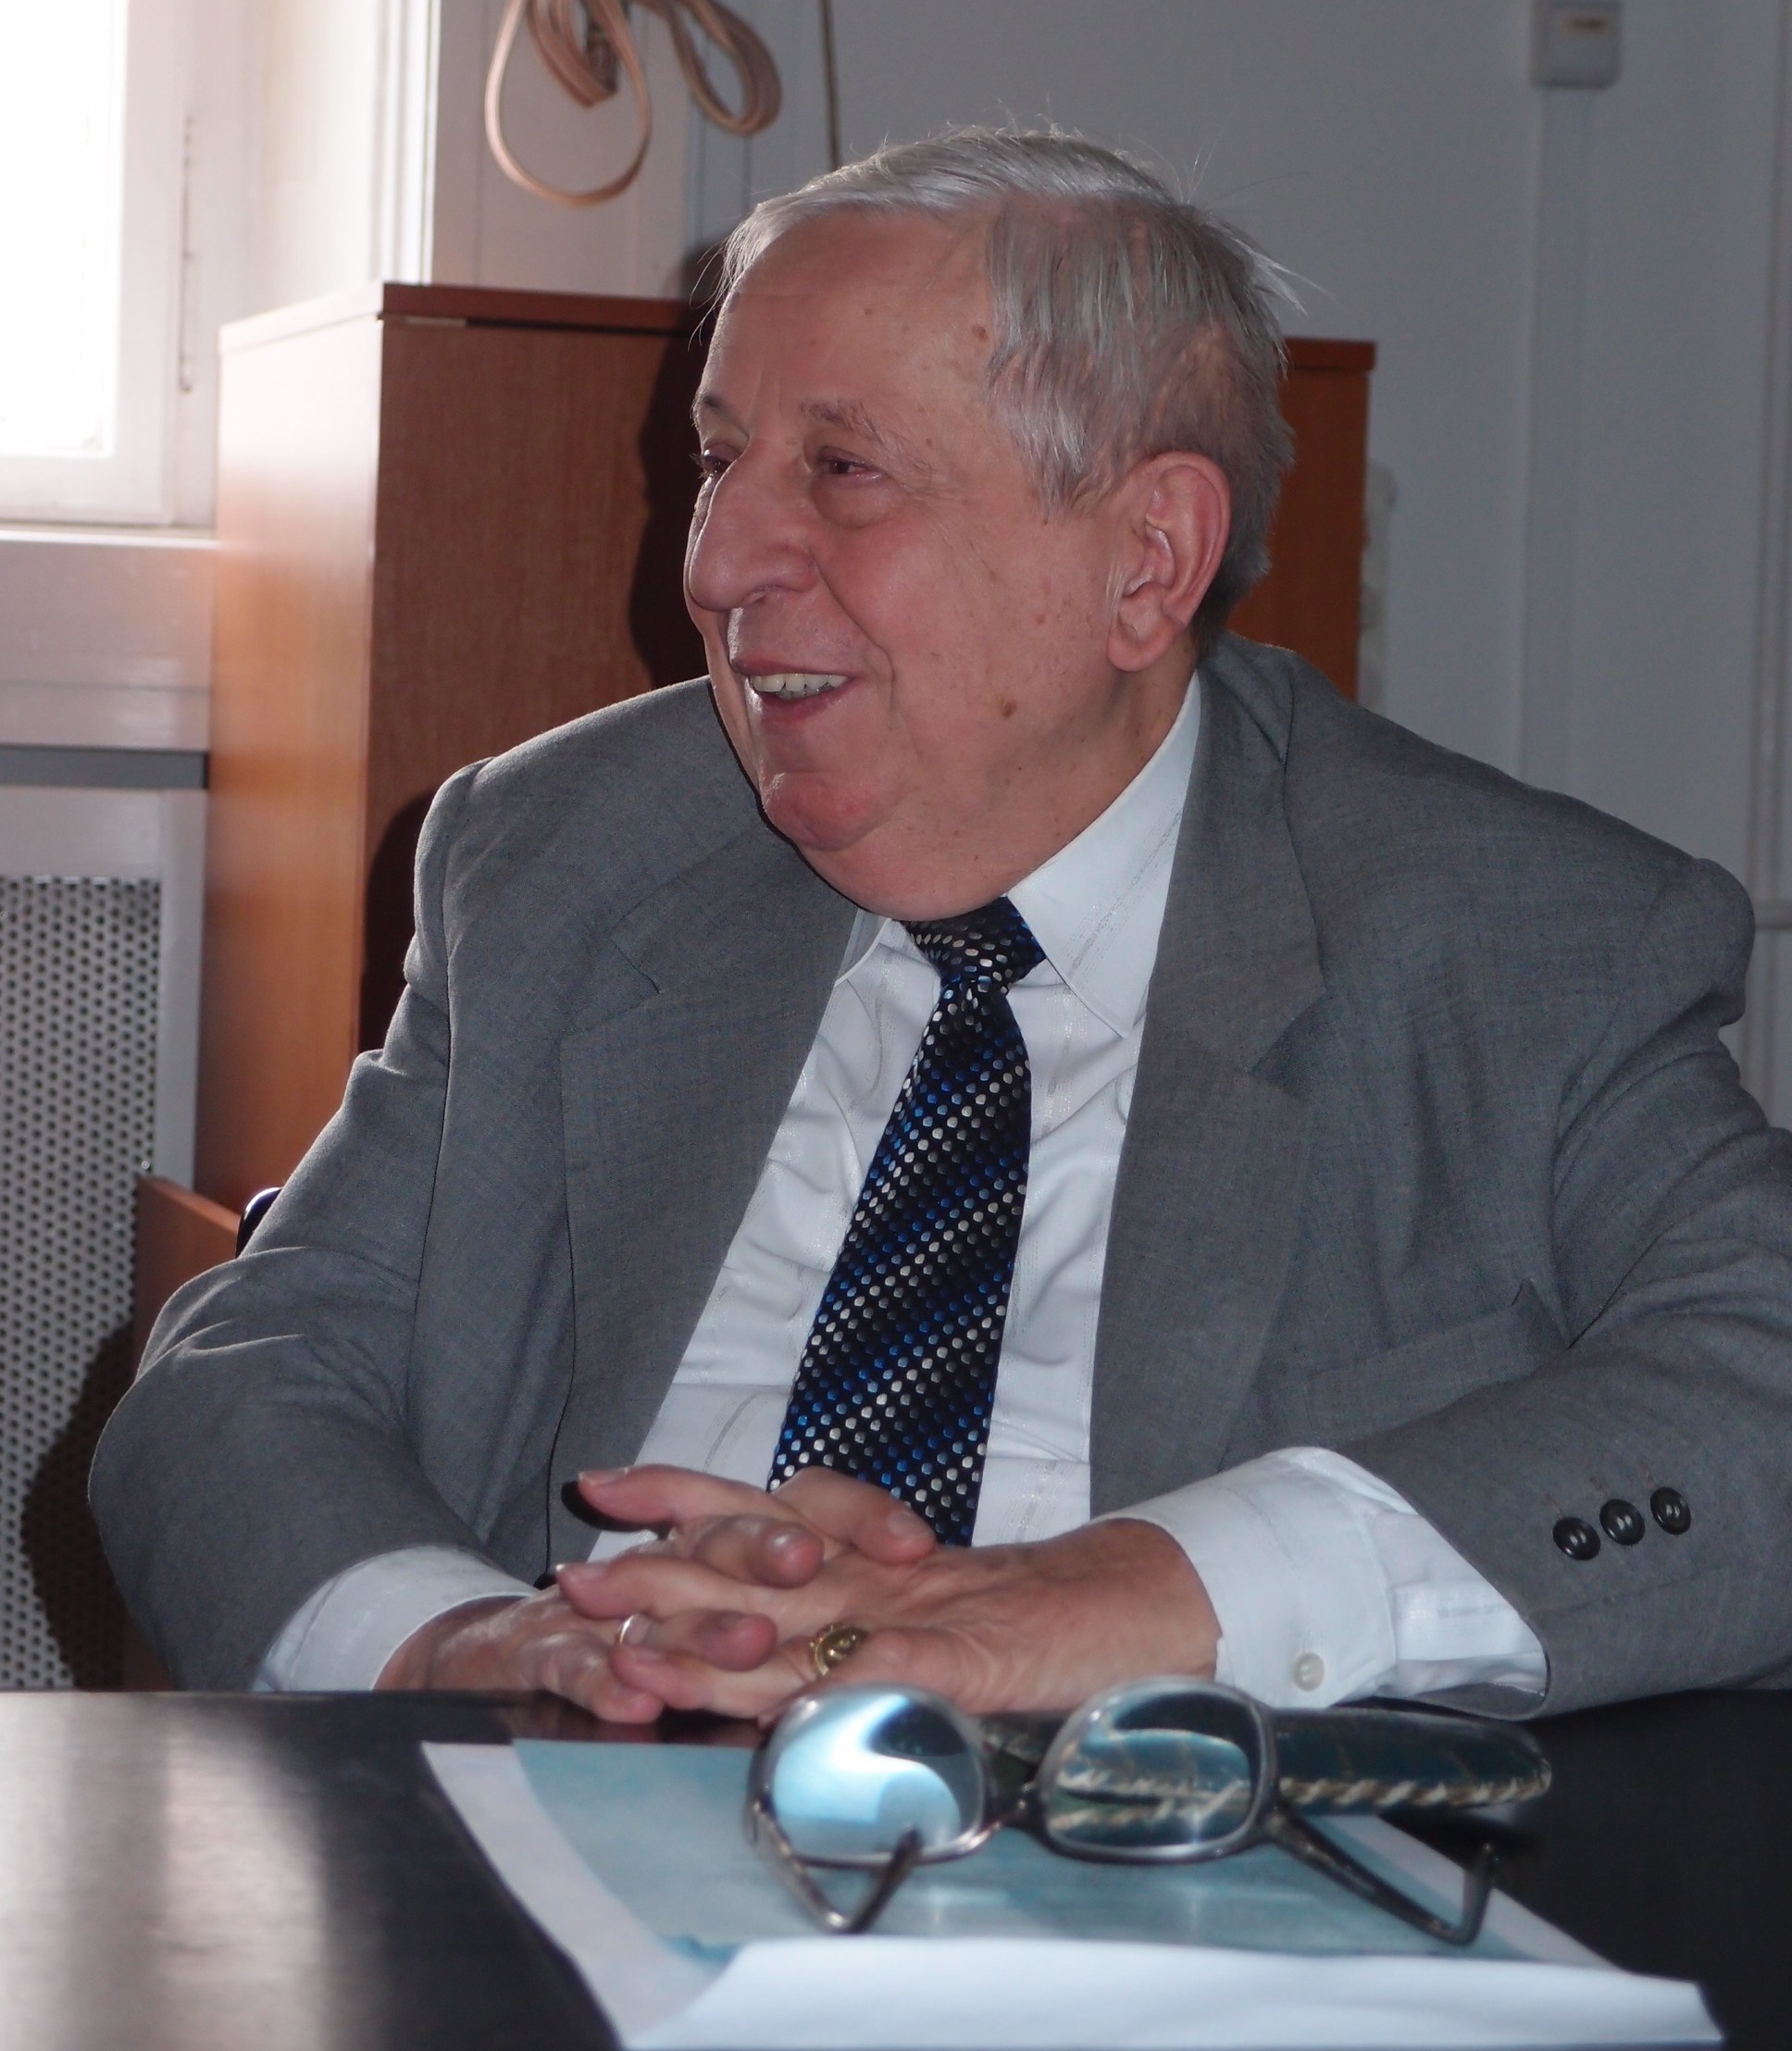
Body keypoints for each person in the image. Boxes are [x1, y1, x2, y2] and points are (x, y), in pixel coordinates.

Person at [93, 130, 1792, 1723]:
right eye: (718, 459)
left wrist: (1122, 1595)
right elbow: (237, 1377)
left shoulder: (1523, 943)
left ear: (1147, 561)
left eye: (843, 471)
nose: (715, 564)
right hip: (577, 1826)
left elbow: (1761, 1387)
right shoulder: (565, 858)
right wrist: (462, 1643)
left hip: (1169, 1883)